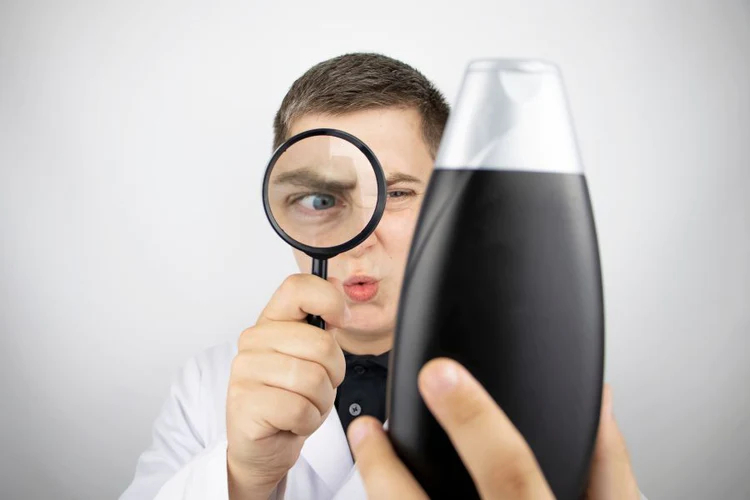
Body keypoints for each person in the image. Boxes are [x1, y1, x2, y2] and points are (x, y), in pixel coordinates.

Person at [121, 53, 644, 500]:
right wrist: (242, 477)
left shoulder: (535, 386)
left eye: (395, 194)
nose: (360, 236)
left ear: (449, 207)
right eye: (322, 198)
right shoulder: (208, 387)